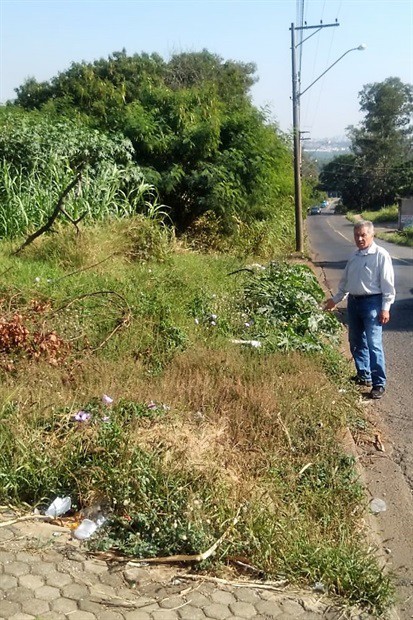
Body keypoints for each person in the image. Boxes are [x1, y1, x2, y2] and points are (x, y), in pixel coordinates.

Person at [324, 220, 395, 399]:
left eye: (363, 235)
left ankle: (378, 383)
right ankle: (364, 375)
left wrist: (385, 308)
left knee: (374, 343)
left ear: (372, 235)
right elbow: (345, 283)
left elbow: (388, 285)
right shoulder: (354, 257)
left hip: (373, 303)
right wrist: (335, 300)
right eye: (357, 235)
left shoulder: (380, 255)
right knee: (356, 340)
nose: (360, 239)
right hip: (354, 303)